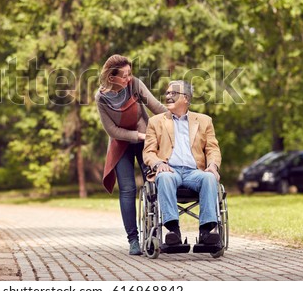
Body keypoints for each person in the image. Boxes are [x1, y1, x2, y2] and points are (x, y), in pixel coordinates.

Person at [95, 55, 167, 255]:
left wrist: (178, 119)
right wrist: (138, 135)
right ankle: (133, 240)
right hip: (121, 143)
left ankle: (157, 232)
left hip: (145, 140)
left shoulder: (134, 84)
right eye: (124, 75)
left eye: (129, 73)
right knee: (127, 190)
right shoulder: (101, 98)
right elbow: (112, 131)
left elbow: (156, 107)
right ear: (111, 77)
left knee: (153, 183)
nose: (128, 78)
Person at [143, 80, 222, 248]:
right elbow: (148, 152)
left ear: (185, 98)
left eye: (173, 93)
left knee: (209, 178)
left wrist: (213, 166)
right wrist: (158, 164)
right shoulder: (156, 122)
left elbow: (212, 149)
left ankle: (206, 232)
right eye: (167, 93)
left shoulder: (204, 121)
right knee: (164, 177)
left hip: (194, 172)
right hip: (170, 170)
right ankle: (173, 232)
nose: (168, 96)